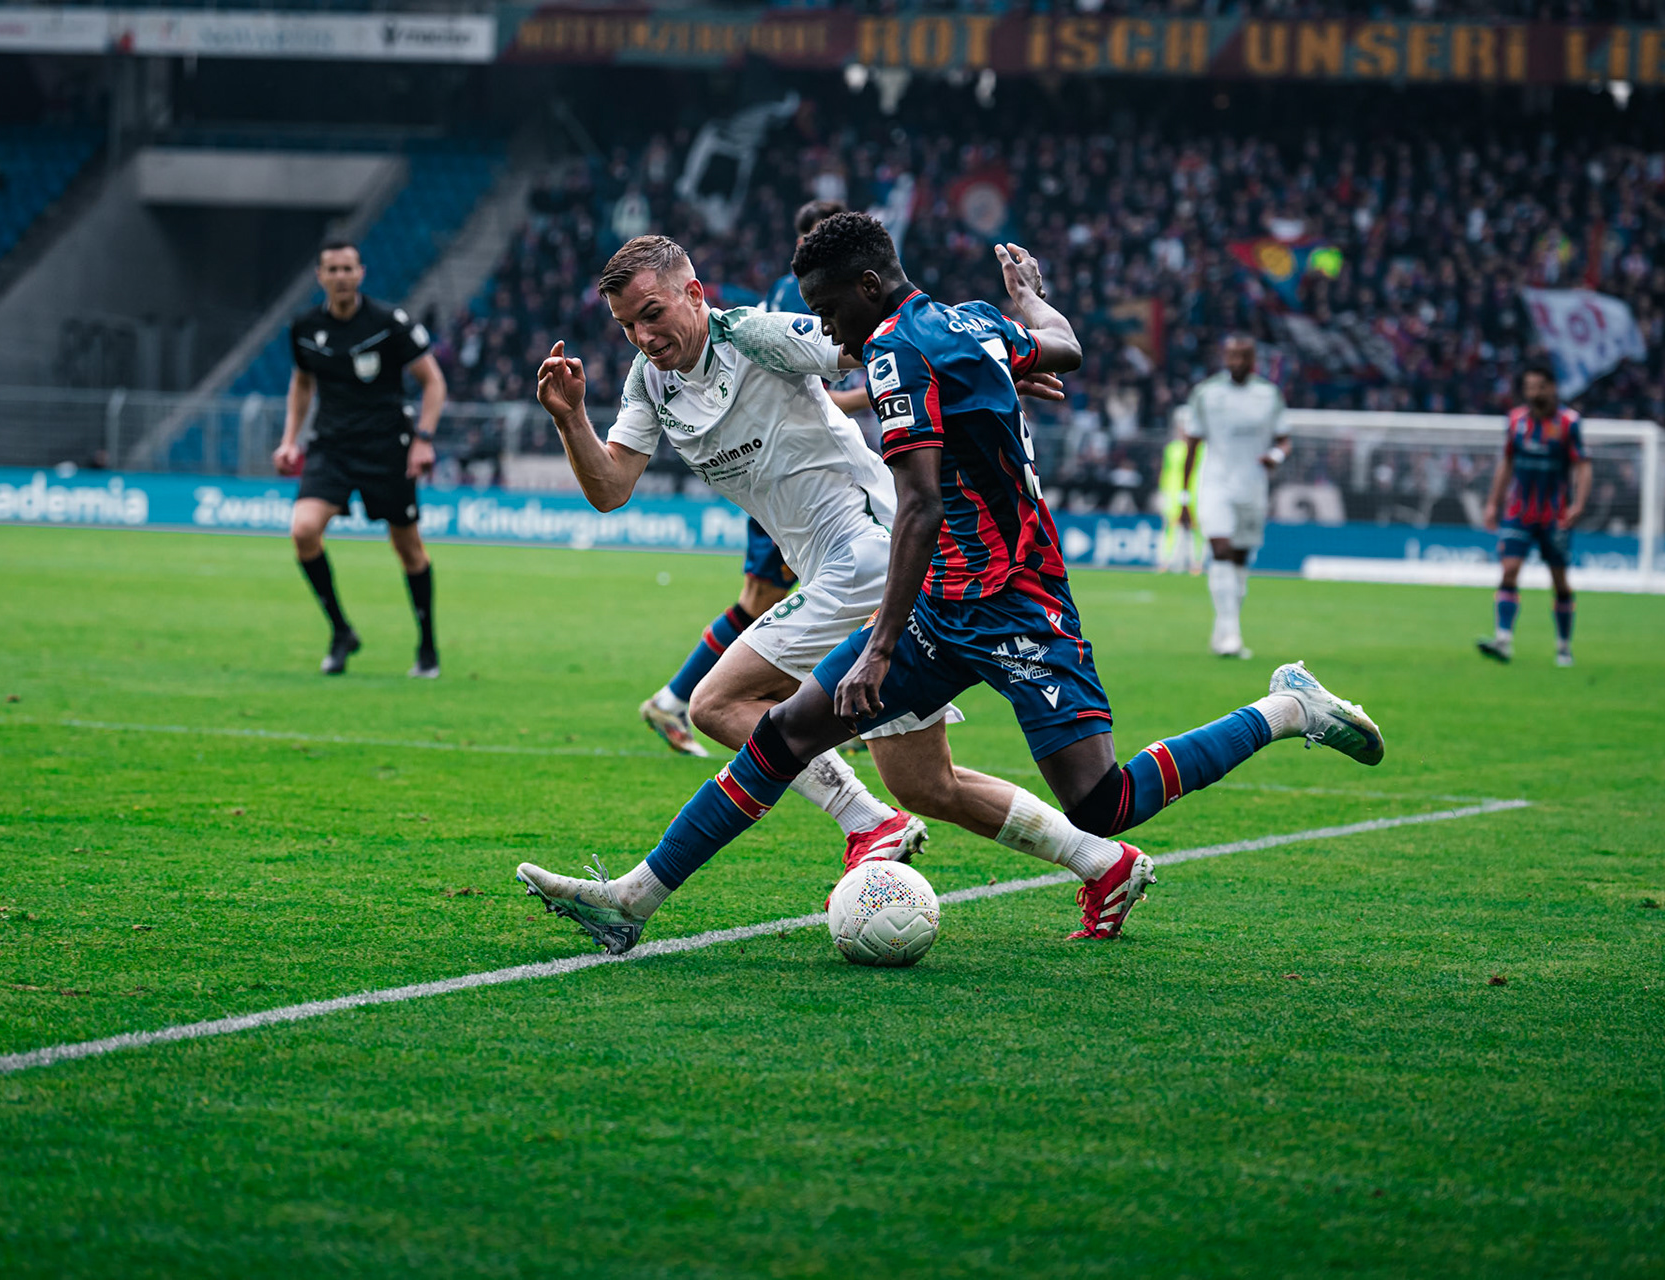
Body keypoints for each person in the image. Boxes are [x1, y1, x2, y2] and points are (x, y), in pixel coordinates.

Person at [516, 214, 1384, 956]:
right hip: (936, 597)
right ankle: (637, 901)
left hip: (984, 592)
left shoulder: (846, 346)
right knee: (866, 763)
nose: (642, 336)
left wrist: (881, 648)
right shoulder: (963, 326)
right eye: (629, 325)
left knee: (1103, 797)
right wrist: (1025, 302)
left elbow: (920, 499)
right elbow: (1065, 346)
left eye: (828, 311)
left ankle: (1284, 711)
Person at [536, 234, 932, 873]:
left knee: (715, 703)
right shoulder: (649, 383)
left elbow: (876, 334)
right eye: (627, 326)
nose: (642, 336)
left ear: (694, 294)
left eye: (653, 314)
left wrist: (1007, 363)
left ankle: (869, 823)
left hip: (870, 546)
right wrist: (570, 418)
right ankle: (1103, 861)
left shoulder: (755, 335)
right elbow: (610, 489)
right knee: (928, 780)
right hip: (834, 567)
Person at [640, 198, 869, 756]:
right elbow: (823, 390)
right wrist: (876, 395)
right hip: (788, 471)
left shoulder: (787, 293)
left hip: (787, 470)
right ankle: (681, 698)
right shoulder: (801, 300)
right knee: (768, 596)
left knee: (767, 596)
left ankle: (855, 704)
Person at [273, 240, 448, 677]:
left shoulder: (390, 322)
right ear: (320, 276)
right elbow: (302, 384)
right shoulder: (305, 327)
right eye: (332, 269)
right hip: (331, 447)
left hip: (388, 447)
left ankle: (427, 647)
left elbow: (433, 382)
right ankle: (341, 631)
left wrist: (423, 439)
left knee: (407, 548)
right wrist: (289, 439)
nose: (340, 276)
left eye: (347, 268)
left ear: (361, 273)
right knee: (303, 531)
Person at [1181, 334, 1289, 659]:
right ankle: (1230, 633)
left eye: (1241, 357)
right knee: (1222, 550)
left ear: (1253, 360)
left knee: (1241, 558)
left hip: (1253, 487)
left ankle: (1226, 627)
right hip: (1215, 484)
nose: (1235, 363)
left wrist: (1276, 456)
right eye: (1230, 356)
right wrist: (1185, 497)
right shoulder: (1207, 394)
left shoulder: (1269, 395)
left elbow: (1284, 439)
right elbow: (1192, 444)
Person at [1477, 362, 1591, 667]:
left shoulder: (1569, 423)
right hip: (1518, 513)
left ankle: (1563, 647)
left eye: (1539, 386)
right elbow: (1507, 463)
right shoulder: (1516, 421)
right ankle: (1503, 640)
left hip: (1555, 516)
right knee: (1509, 570)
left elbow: (1582, 464)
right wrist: (1493, 503)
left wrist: (1578, 503)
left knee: (1560, 581)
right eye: (1529, 387)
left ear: (1552, 387)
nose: (1534, 393)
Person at [1157, 433, 1205, 575]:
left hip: (1196, 491)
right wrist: (1163, 491)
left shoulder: (1202, 449)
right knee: (1171, 526)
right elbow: (1166, 470)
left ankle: (1196, 562)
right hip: (1173, 492)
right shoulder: (1172, 448)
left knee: (1196, 527)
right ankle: (1166, 560)